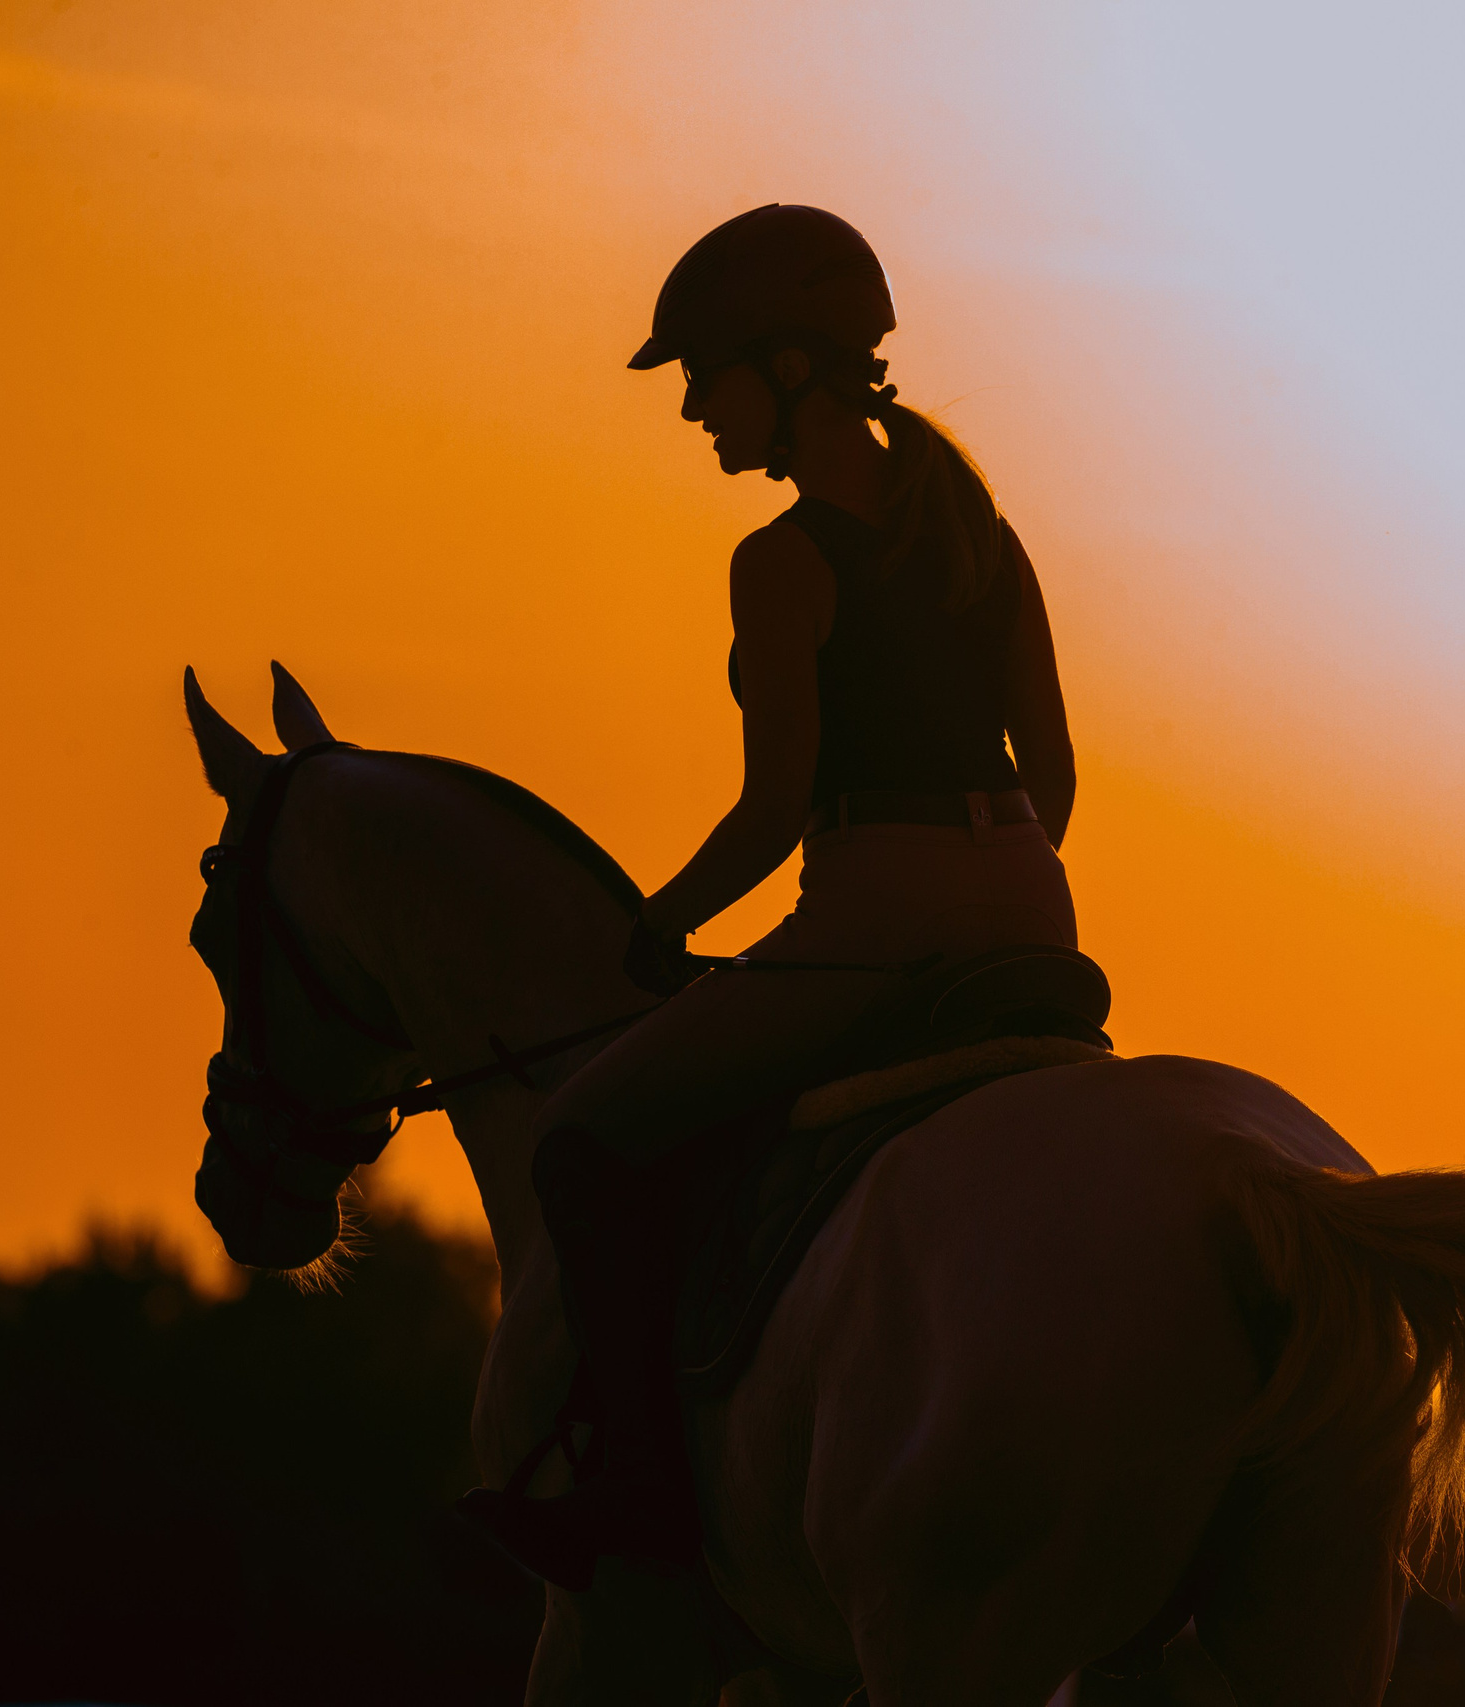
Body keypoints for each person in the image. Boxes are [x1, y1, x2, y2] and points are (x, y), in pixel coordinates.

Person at [461, 204, 1079, 1590]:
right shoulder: (992, 537)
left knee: (583, 1139)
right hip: (1037, 909)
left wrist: (654, 925)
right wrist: (997, 887)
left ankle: (633, 1492)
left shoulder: (783, 564)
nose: (690, 409)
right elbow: (1056, 772)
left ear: (792, 370)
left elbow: (774, 812)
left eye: (706, 373)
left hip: (873, 924)